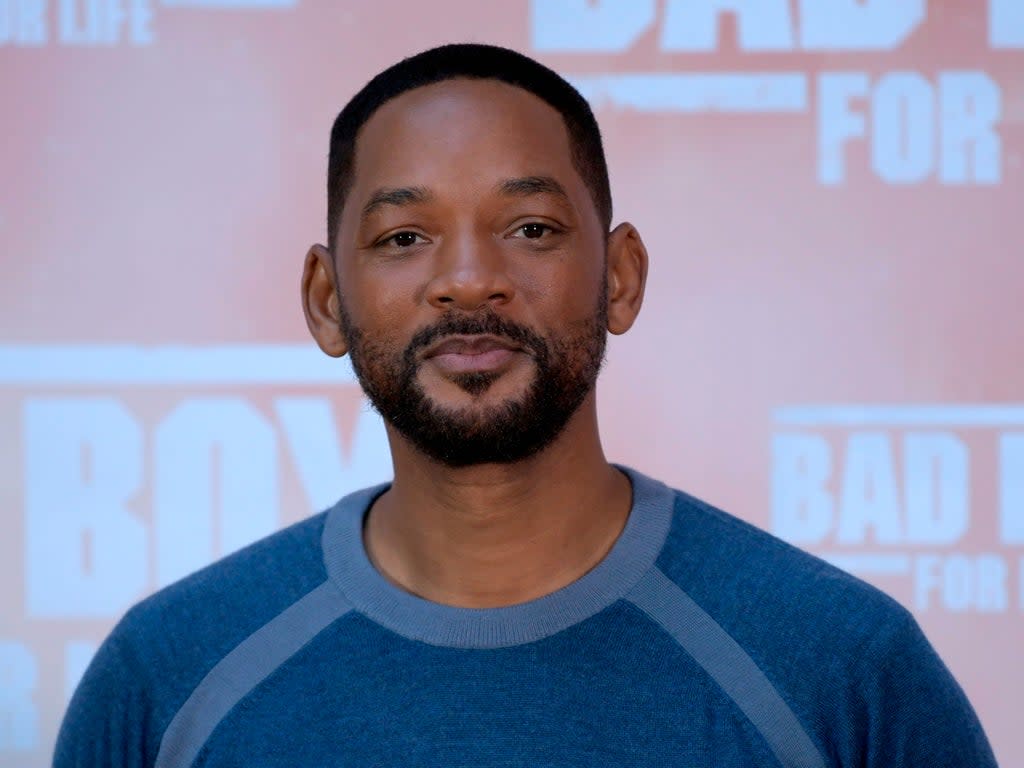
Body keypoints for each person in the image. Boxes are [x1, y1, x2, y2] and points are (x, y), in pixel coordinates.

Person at [55, 43, 997, 767]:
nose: (469, 281)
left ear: (620, 278)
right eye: (405, 235)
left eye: (531, 228)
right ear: (325, 299)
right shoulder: (167, 678)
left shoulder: (842, 669)